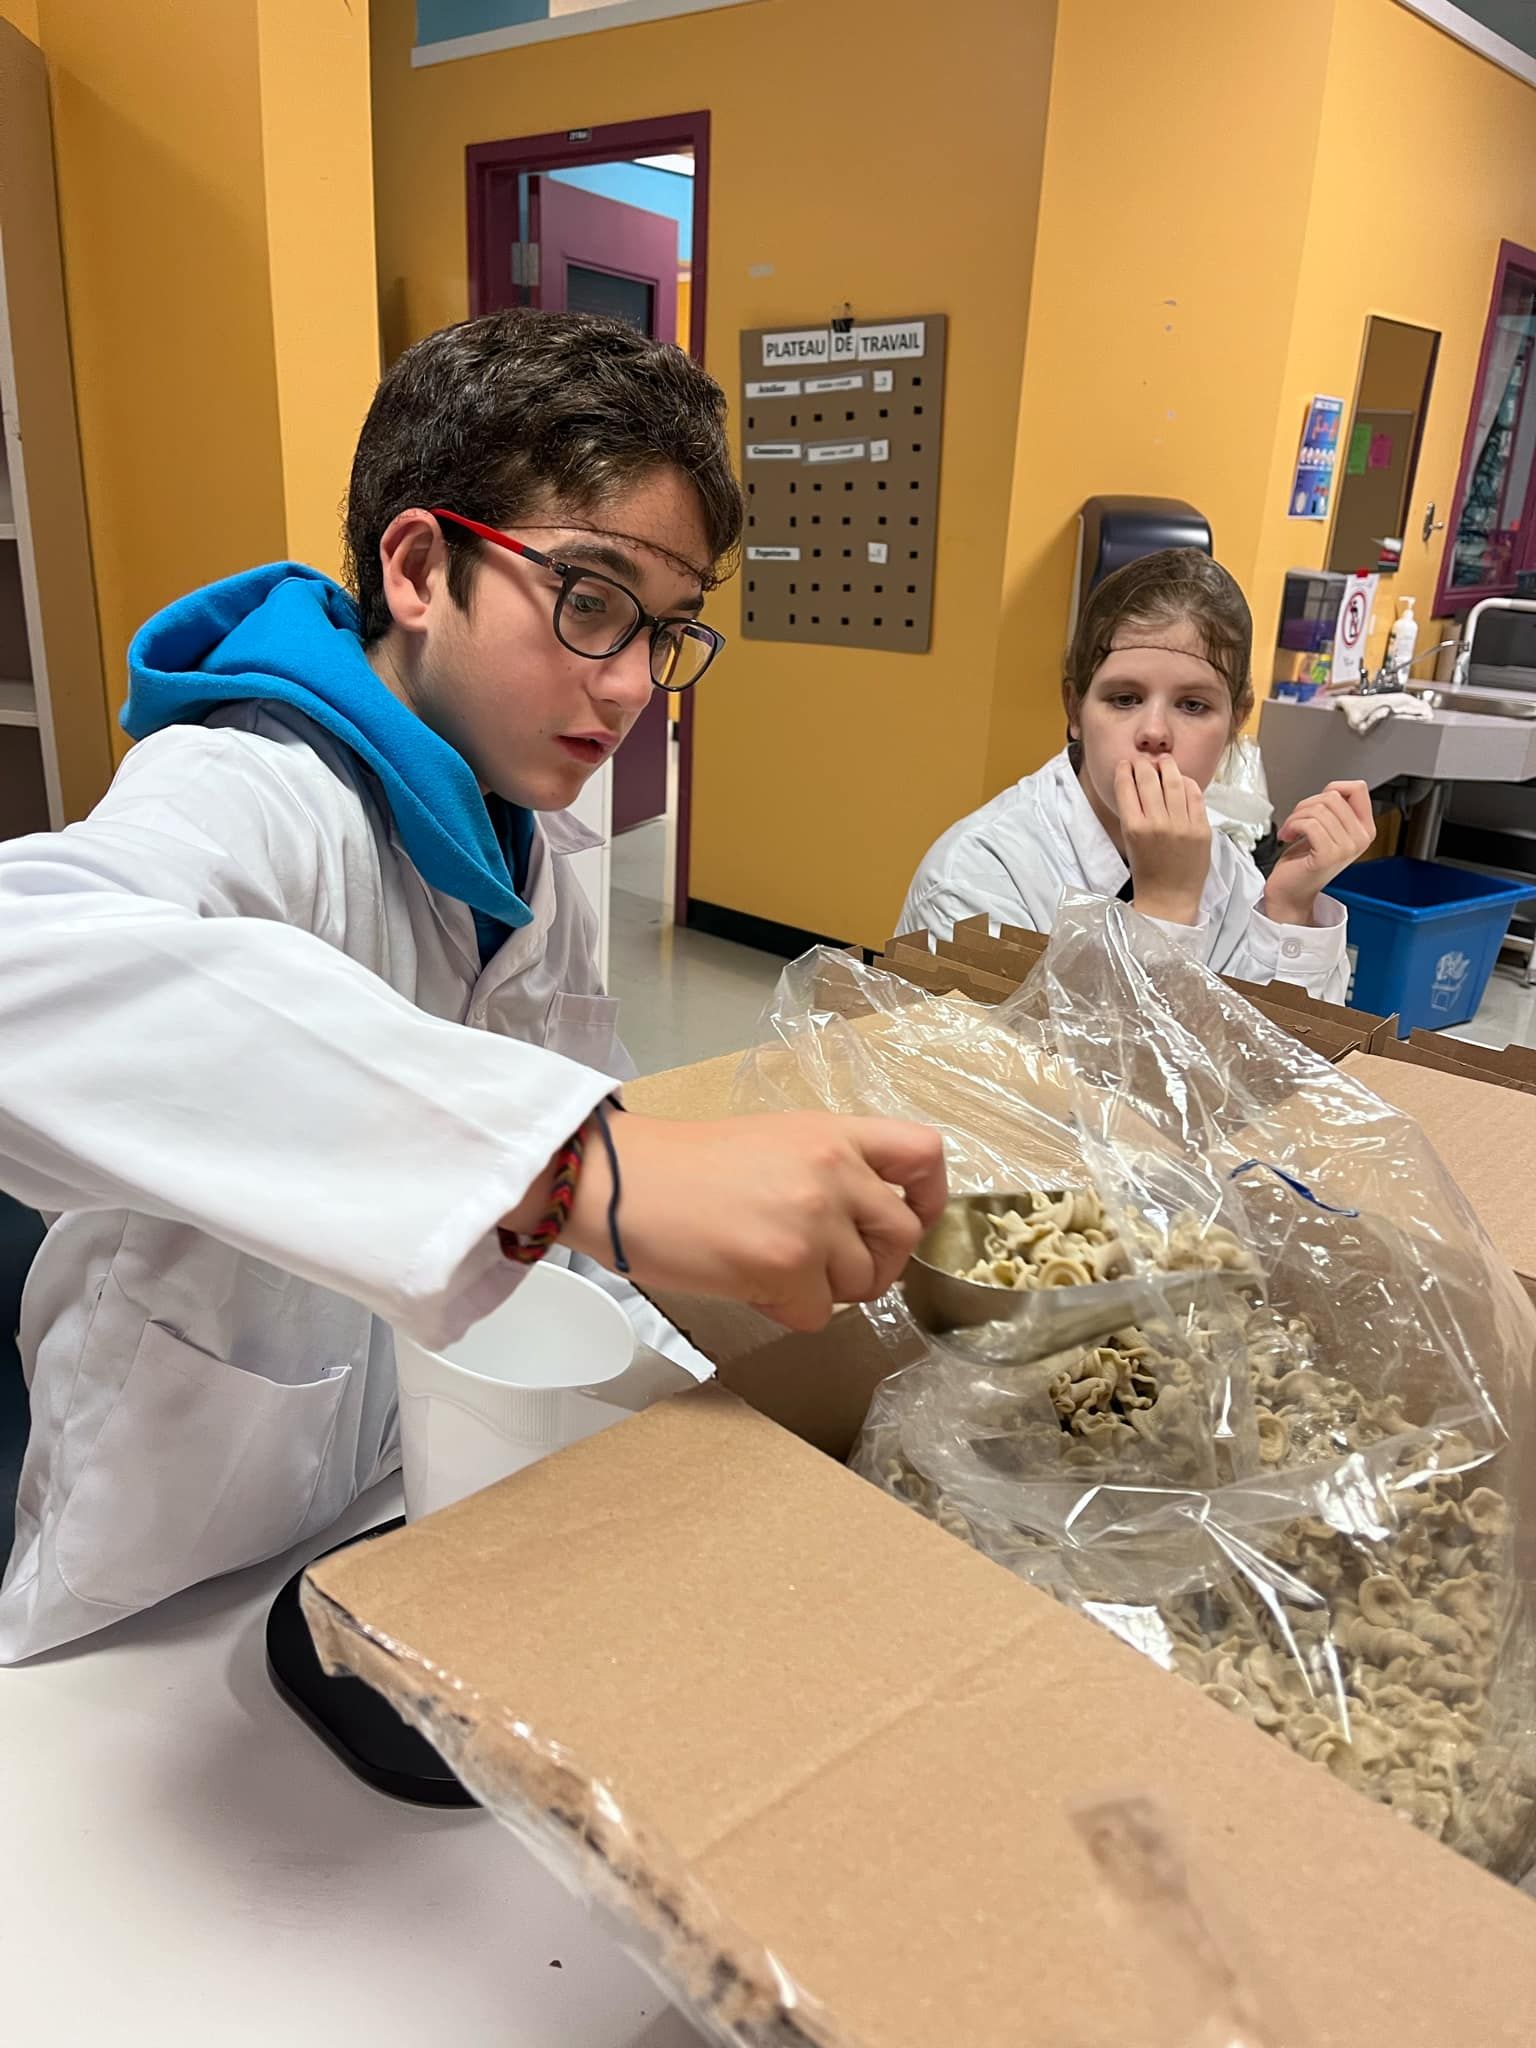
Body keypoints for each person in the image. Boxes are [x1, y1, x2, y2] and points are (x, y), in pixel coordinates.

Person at [0, 311, 945, 1662]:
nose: (630, 688)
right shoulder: (251, 785)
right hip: (162, 1581)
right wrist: (582, 1170)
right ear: (419, 566)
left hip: (400, 1504)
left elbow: (565, 1153)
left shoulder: (527, 833)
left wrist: (695, 1330)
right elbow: (21, 963)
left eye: (664, 632)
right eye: (589, 599)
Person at [899, 549, 1374, 996]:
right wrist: (1164, 908)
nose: (1154, 731)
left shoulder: (1229, 873)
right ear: (1075, 709)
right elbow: (1013, 1079)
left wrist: (1290, 909)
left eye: (1193, 705)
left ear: (1236, 720)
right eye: (1124, 699)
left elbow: (1277, 1062)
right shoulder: (978, 876)